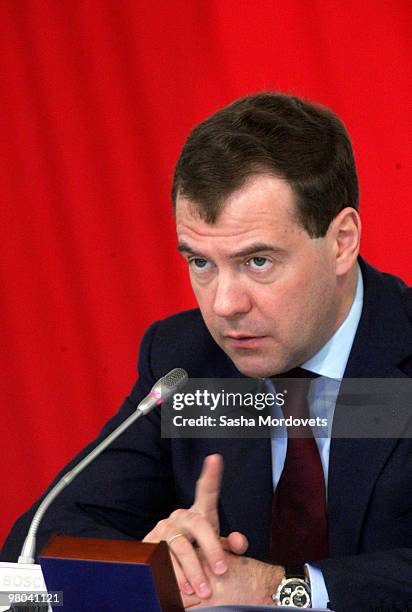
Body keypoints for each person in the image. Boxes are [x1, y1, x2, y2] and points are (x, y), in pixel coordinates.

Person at [2, 93, 411, 611]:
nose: (224, 305)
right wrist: (156, 566)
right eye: (201, 262)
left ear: (341, 241)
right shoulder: (186, 364)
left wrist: (276, 587)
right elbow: (30, 551)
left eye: (257, 262)